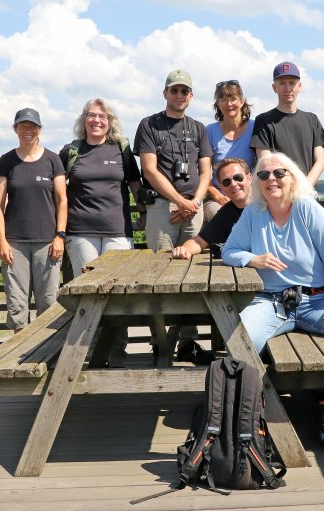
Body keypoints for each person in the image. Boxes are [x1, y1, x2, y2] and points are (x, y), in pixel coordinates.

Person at [222, 151, 324, 361]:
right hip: (271, 303)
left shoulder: (307, 207)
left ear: (293, 178)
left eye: (279, 173)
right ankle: (256, 393)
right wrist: (251, 259)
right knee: (241, 344)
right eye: (264, 175)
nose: (271, 179)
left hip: (318, 301)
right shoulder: (253, 212)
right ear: (257, 182)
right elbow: (229, 251)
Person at [133, 69, 214, 364]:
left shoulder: (199, 129)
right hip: (162, 209)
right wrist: (180, 201)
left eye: (184, 91)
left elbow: (206, 171)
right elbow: (149, 170)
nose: (179, 95)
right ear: (165, 93)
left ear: (191, 96)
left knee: (191, 275)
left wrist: (194, 202)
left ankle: (188, 341)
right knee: (159, 275)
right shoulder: (149, 125)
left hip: (192, 209)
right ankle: (160, 342)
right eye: (174, 90)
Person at [59, 98, 143, 367]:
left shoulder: (120, 149)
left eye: (102, 116)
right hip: (80, 230)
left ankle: (117, 349)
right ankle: (89, 348)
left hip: (117, 231)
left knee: (115, 293)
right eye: (92, 116)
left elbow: (134, 183)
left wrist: (143, 212)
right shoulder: (72, 151)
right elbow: (58, 191)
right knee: (88, 291)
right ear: (84, 120)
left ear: (110, 121)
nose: (97, 120)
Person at [0, 108, 67, 332]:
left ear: (40, 129)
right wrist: (2, 242)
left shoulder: (52, 160)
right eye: (23, 126)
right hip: (15, 243)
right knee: (17, 306)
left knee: (49, 303)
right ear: (15, 129)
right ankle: (19, 359)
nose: (28, 130)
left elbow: (62, 200)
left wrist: (60, 236)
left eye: (32, 126)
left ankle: (45, 356)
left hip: (48, 242)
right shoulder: (6, 161)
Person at [250, 61, 324, 187]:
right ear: (274, 87)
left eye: (292, 83)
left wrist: (305, 187)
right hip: (278, 192)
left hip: (308, 191)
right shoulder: (263, 120)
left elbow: (320, 161)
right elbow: (265, 161)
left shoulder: (312, 119)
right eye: (282, 83)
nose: (287, 88)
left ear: (299, 86)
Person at [171, 157, 253, 260]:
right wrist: (184, 249)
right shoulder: (227, 212)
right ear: (222, 188)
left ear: (249, 178)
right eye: (227, 182)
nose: (233, 184)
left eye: (238, 177)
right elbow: (199, 241)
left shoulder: (268, 205)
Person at [203, 80, 255, 222]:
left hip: (251, 196)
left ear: (242, 101)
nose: (228, 104)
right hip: (218, 198)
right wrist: (217, 195)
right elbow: (203, 172)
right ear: (217, 104)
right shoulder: (209, 132)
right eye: (223, 99)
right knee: (225, 218)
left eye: (233, 98)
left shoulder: (255, 128)